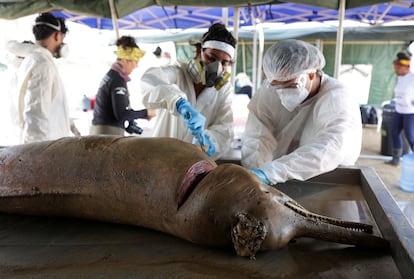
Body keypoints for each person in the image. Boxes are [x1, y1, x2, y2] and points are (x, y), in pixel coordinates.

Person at [241, 39, 362, 185]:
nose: (282, 92)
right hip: (276, 178)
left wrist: (270, 173)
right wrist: (255, 174)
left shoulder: (337, 97)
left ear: (311, 74)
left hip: (325, 182)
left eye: (290, 84)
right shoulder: (270, 90)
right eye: (276, 86)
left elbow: (330, 148)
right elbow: (257, 135)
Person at [140, 23, 236, 159]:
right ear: (199, 52)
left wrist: (212, 141)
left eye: (224, 63)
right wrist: (178, 102)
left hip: (191, 163)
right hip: (159, 158)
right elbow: (150, 78)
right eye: (212, 58)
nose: (217, 68)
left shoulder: (224, 90)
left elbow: (225, 129)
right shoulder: (178, 73)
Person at [11, 12, 72, 143]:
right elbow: (35, 114)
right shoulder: (42, 63)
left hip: (48, 147)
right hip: (46, 150)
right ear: (57, 35)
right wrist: (37, 157)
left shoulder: (31, 60)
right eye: (62, 38)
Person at [90, 35, 155, 136]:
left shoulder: (111, 75)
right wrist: (146, 113)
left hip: (100, 131)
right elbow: (122, 115)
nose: (136, 66)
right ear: (126, 60)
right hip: (107, 133)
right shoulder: (117, 80)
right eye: (136, 62)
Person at [386, 50, 414, 166]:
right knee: (394, 132)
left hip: (410, 112)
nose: (396, 70)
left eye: (398, 68)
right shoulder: (400, 77)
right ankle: (396, 159)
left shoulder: (412, 77)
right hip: (399, 110)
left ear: (405, 67)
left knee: (410, 136)